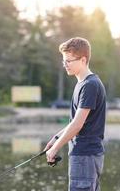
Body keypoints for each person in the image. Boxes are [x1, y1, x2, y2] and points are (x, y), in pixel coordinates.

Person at [44, 37, 106, 191]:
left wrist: (55, 149)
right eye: (64, 61)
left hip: (85, 155)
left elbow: (77, 125)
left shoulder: (90, 85)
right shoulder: (82, 84)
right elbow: (75, 121)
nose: (65, 64)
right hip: (85, 155)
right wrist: (56, 138)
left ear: (83, 60)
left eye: (69, 61)